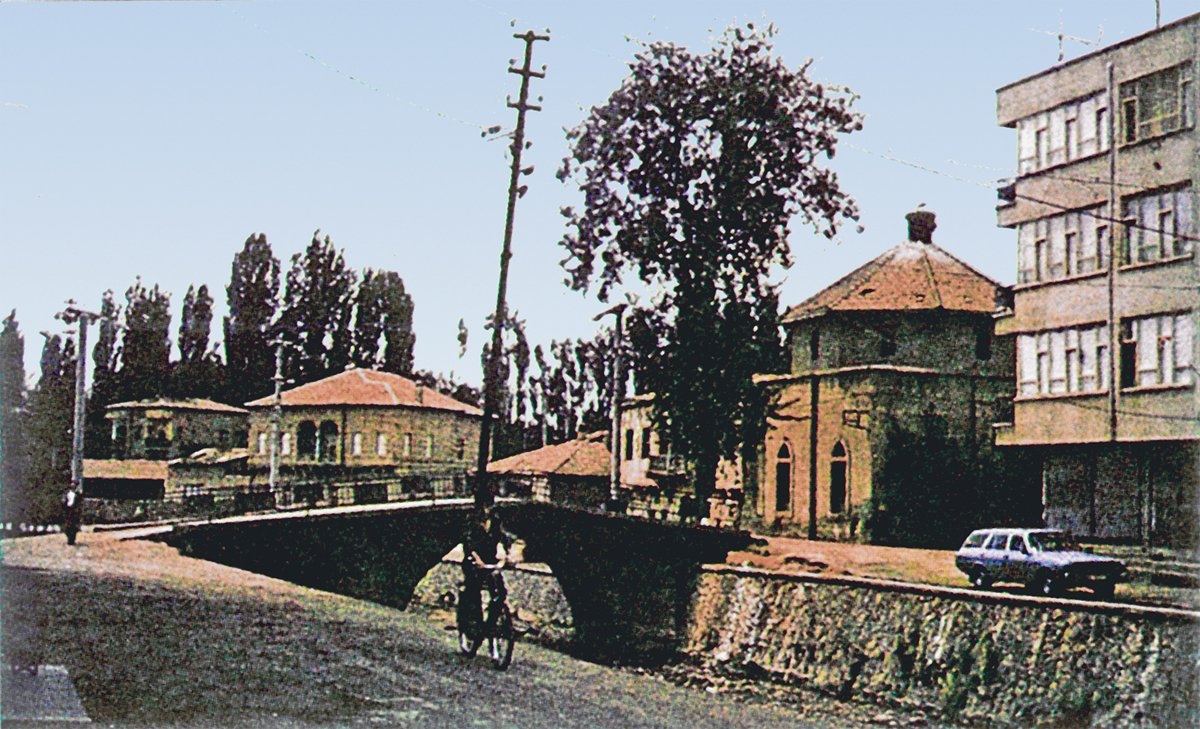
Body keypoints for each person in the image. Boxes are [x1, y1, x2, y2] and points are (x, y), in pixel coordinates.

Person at [460, 507, 515, 629]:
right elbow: (468, 543)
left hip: (490, 560)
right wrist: (477, 559)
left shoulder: (495, 521)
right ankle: (475, 623)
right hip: (473, 561)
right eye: (484, 505)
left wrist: (508, 554)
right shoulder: (471, 520)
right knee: (474, 591)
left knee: (500, 593)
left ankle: (491, 625)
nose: (486, 509)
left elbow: (504, 537)